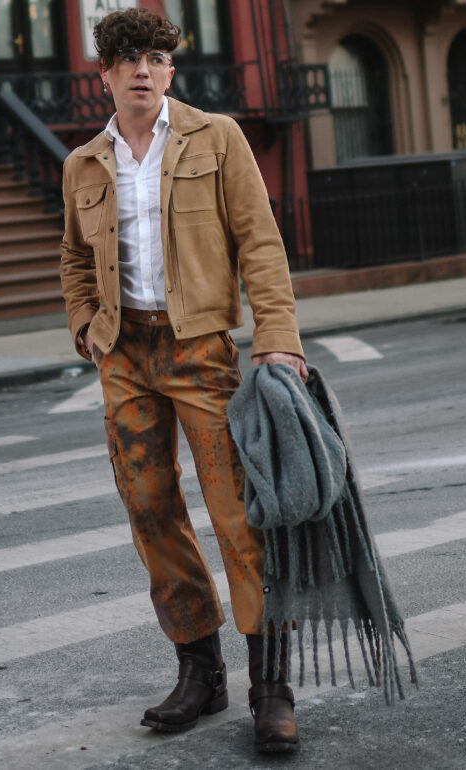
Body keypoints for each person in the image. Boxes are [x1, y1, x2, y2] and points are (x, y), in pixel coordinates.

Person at [59, 8, 308, 754]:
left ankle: (272, 687)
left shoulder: (216, 137)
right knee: (149, 509)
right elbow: (74, 260)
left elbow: (258, 243)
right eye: (127, 57)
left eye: (156, 57)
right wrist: (85, 328)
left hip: (200, 349)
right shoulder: (83, 164)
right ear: (104, 73)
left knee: (238, 515)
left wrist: (277, 337)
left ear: (170, 70)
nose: (142, 68)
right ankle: (200, 672)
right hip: (124, 353)